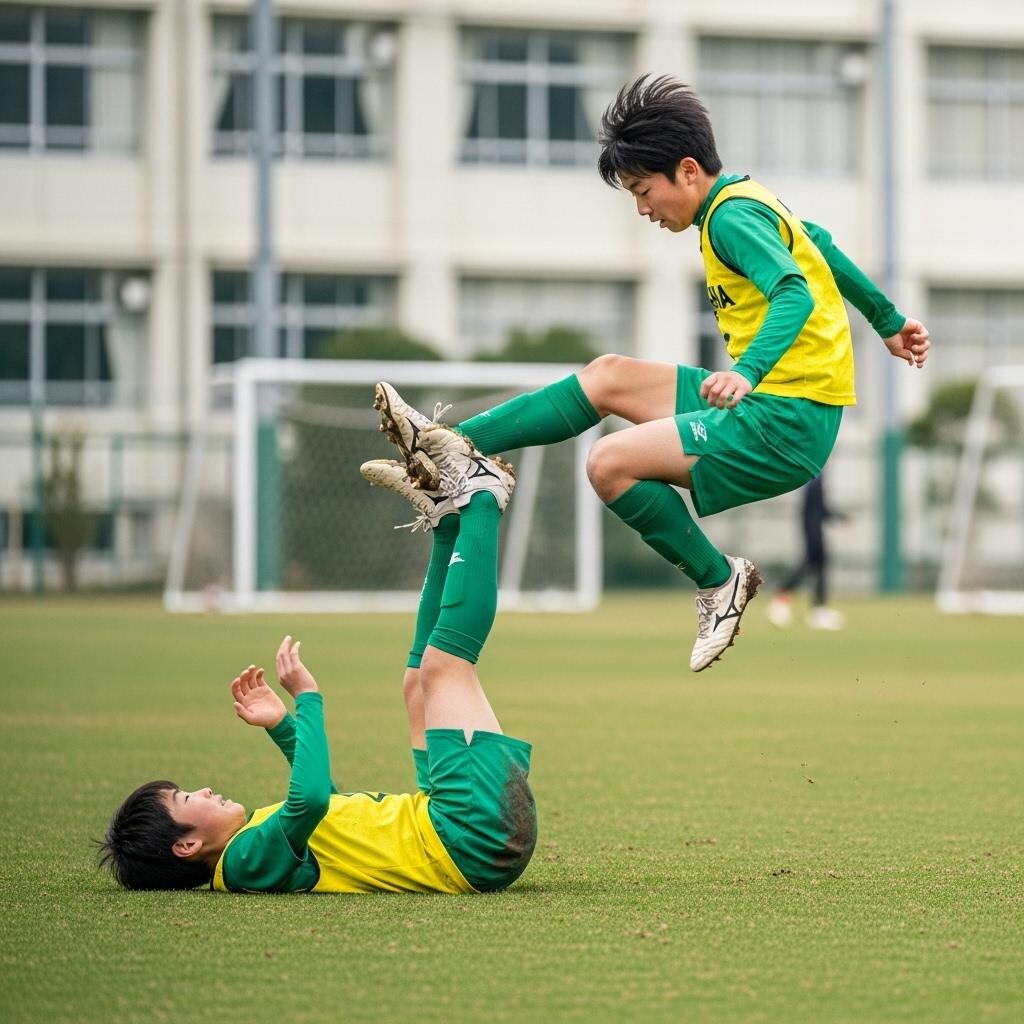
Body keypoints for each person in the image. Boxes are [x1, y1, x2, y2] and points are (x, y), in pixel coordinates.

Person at [374, 73, 930, 673]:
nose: (642, 208)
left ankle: (720, 582)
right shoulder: (746, 199)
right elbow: (819, 247)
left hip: (783, 419)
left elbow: (793, 290)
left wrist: (745, 372)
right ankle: (453, 448)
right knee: (609, 376)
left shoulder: (729, 220)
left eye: (644, 190)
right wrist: (890, 320)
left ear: (687, 170)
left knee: (608, 463)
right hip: (771, 402)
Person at [98, 428, 536, 894]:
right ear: (185, 847)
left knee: (417, 685)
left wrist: (281, 727)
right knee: (444, 668)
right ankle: (483, 497)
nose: (204, 790)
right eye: (187, 798)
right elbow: (307, 801)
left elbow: (321, 795)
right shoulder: (241, 863)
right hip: (468, 841)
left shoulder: (252, 847)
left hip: (452, 826)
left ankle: (447, 524)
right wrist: (307, 698)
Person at [767, 472, 847, 631]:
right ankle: (784, 598)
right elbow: (814, 511)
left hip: (813, 532)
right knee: (808, 568)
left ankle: (818, 610)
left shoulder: (816, 479)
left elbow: (820, 509)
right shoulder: (815, 480)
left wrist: (839, 517)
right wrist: (816, 535)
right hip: (813, 533)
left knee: (818, 567)